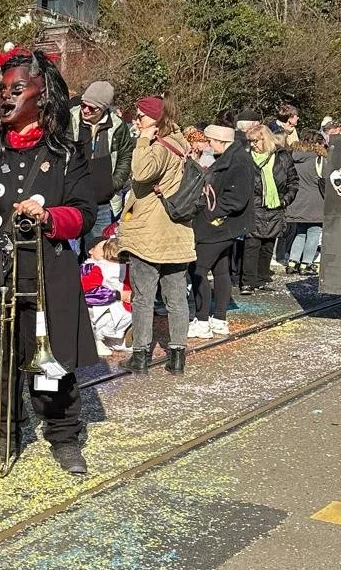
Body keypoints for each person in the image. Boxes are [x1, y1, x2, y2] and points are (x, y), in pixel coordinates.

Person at [0, 48, 97, 476]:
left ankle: (63, 435)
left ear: (41, 97)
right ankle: (5, 430)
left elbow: (85, 214)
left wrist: (49, 217)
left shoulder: (66, 154)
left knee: (50, 364)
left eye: (16, 90)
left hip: (46, 278)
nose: (4, 98)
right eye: (2, 90)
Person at [117, 96, 195, 374]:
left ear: (155, 119)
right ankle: (177, 357)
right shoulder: (181, 142)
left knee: (143, 297)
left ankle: (140, 357)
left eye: (140, 116)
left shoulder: (159, 147)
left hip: (150, 232)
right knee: (176, 297)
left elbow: (140, 174)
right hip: (177, 231)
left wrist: (142, 140)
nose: (137, 121)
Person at [188, 123, 252, 338]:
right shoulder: (234, 157)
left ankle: (203, 320)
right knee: (220, 269)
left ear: (221, 141)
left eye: (211, 141)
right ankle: (219, 319)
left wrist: (209, 214)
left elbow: (236, 198)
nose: (208, 146)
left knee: (198, 268)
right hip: (228, 225)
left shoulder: (238, 161)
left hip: (219, 224)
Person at [70, 80, 131, 239]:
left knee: (98, 247)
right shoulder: (70, 119)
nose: (85, 110)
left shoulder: (118, 126)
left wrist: (113, 185)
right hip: (72, 199)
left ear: (104, 108)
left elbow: (125, 157)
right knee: (70, 253)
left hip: (103, 203)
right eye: (84, 105)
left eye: (92, 107)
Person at [241, 123, 297, 293]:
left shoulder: (282, 157)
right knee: (252, 244)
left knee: (268, 245)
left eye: (255, 141)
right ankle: (248, 282)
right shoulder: (247, 159)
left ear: (265, 139)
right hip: (254, 206)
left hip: (276, 206)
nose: (252, 145)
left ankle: (262, 278)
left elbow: (293, 181)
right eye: (250, 141)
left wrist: (285, 200)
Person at [284, 131, 325, 272]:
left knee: (300, 232)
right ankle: (305, 263)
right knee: (314, 231)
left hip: (297, 200)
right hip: (316, 200)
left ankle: (292, 261)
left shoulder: (293, 156)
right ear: (317, 143)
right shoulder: (318, 158)